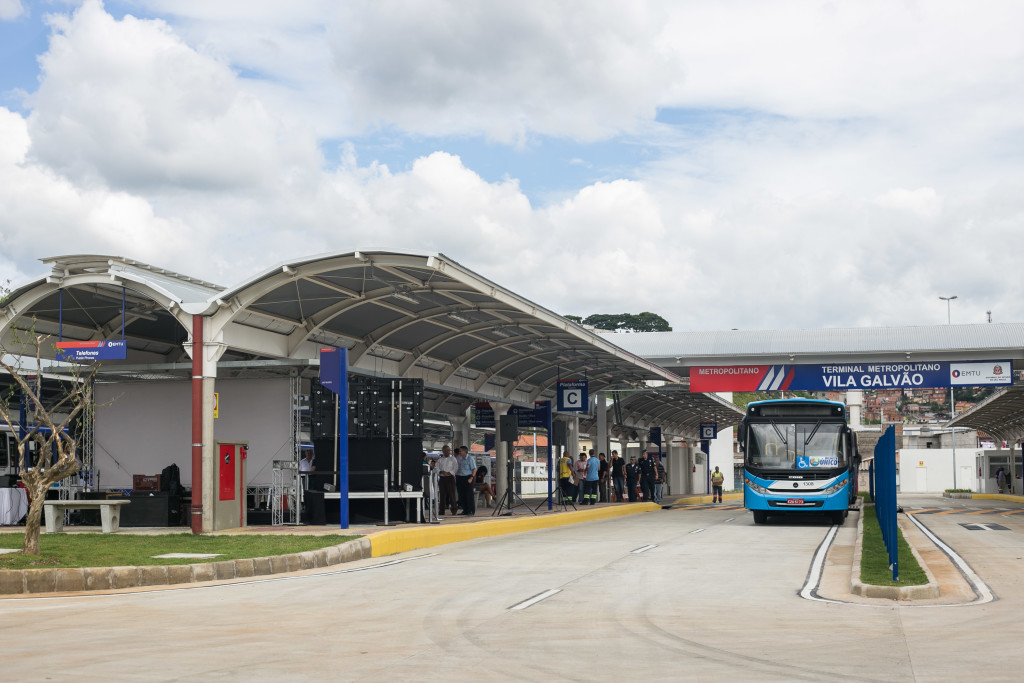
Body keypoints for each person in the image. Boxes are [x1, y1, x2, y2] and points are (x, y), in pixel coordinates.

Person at [436, 445, 458, 516]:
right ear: (443, 451)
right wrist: (441, 472)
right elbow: (436, 468)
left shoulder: (453, 459)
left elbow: (456, 468)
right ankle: (441, 511)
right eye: (446, 450)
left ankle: (454, 510)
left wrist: (449, 472)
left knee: (452, 495)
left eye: (449, 450)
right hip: (442, 479)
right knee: (442, 496)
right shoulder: (440, 460)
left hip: (450, 478)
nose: (448, 452)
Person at [455, 446, 478, 516]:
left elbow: (474, 469)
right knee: (461, 495)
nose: (459, 453)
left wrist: (471, 478)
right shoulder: (460, 459)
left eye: (460, 451)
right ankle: (465, 510)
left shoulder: (470, 459)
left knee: (469, 495)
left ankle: (471, 510)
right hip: (460, 477)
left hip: (467, 477)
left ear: (465, 452)